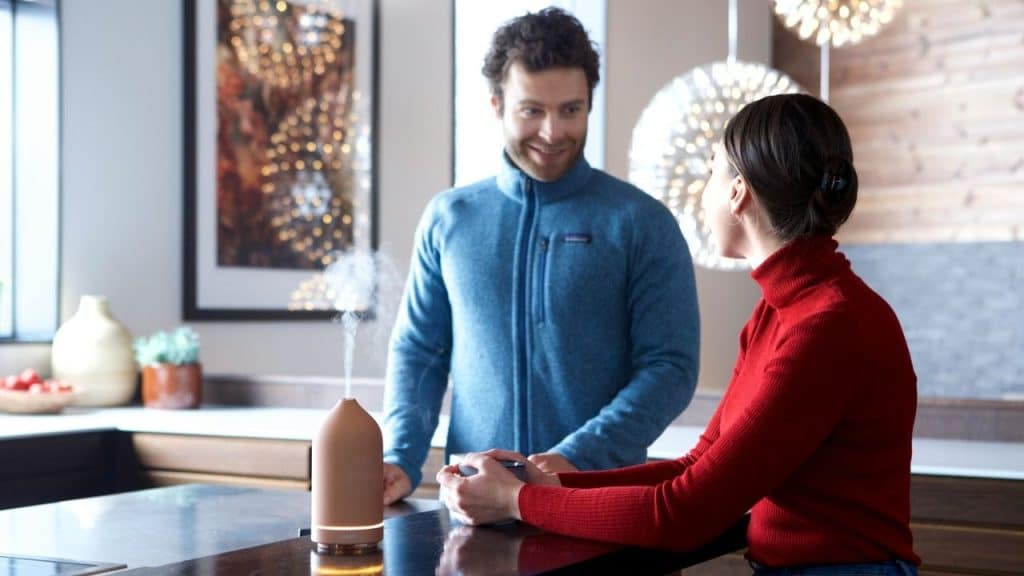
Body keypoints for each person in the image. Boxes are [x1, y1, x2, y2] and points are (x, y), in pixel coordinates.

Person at [438, 93, 922, 575]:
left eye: (712, 170)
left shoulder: (828, 327)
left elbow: (682, 513)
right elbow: (697, 464)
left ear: (737, 193)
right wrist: (547, 485)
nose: (705, 190)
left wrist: (518, 500)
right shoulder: (781, 313)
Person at [382, 7, 700, 505]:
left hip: (600, 503)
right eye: (532, 110)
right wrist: (399, 457)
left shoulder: (641, 222)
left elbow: (670, 368)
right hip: (473, 505)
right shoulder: (450, 218)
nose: (553, 133)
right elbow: (419, 351)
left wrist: (575, 458)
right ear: (496, 104)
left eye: (570, 110)